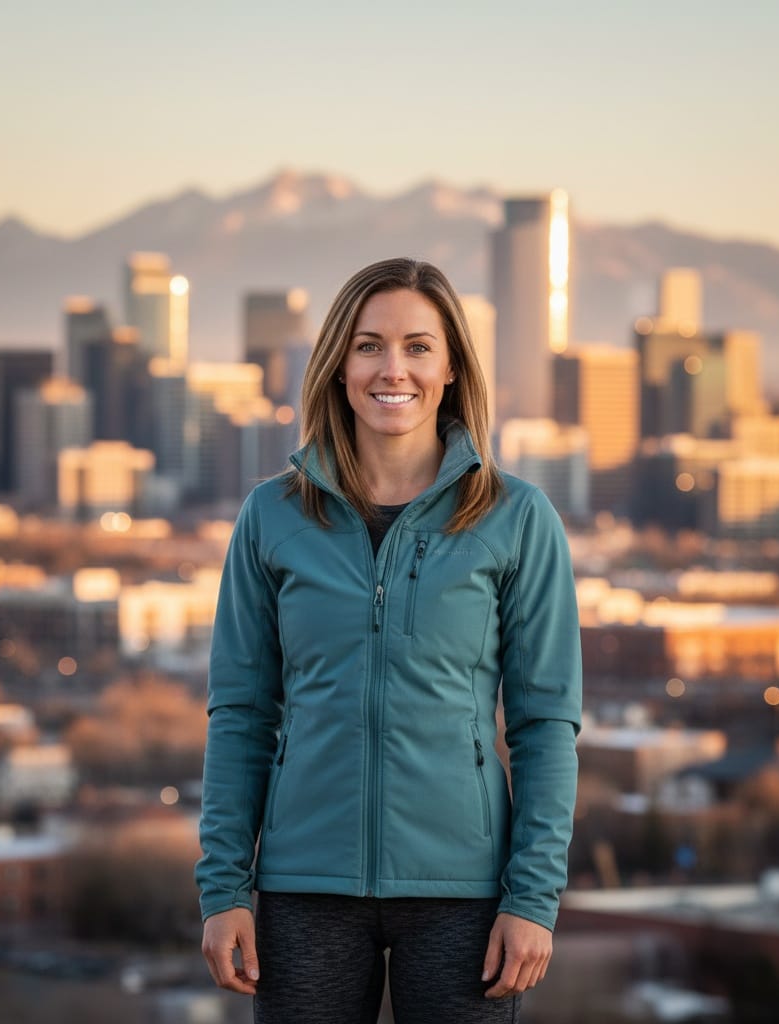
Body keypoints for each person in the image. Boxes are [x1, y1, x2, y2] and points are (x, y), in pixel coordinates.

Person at [197, 257, 582, 1023]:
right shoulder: (272, 516)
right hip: (305, 887)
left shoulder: (516, 517)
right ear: (338, 365)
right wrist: (223, 889)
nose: (392, 369)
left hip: (464, 895)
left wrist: (533, 899)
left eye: (417, 346)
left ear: (451, 367)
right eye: (369, 345)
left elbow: (545, 724)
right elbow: (241, 714)